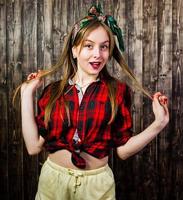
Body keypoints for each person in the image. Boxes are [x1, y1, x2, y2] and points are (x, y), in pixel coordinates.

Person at [13, 4, 169, 200]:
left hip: (96, 187)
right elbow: (33, 147)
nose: (97, 54)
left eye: (104, 47)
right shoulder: (53, 92)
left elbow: (122, 151)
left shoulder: (117, 91)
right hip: (53, 183)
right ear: (74, 50)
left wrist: (158, 124)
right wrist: (26, 94)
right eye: (89, 46)